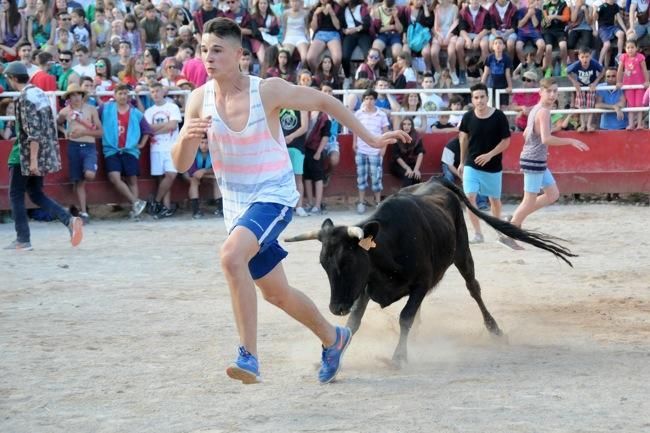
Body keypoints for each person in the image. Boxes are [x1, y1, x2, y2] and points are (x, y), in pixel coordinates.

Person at [171, 17, 409, 384]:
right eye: (204, 50)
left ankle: (248, 356)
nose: (208, 57)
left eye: (216, 50)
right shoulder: (198, 100)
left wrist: (371, 139)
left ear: (239, 55)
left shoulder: (267, 91)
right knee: (277, 294)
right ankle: (334, 338)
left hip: (273, 195)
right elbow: (182, 164)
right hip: (236, 208)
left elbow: (326, 102)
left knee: (231, 256)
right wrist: (186, 138)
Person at [4, 61, 83, 251]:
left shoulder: (24, 98)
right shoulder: (38, 93)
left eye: (8, 79)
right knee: (36, 194)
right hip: (38, 153)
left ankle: (23, 239)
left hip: (23, 155)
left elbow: (33, 132)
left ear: (13, 78)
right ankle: (69, 221)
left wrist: (32, 160)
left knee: (15, 195)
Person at [509, 78, 589, 238]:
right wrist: (570, 140)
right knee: (529, 200)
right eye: (549, 91)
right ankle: (510, 231)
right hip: (534, 160)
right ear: (541, 92)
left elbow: (526, 134)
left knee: (552, 195)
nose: (552, 95)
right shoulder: (543, 111)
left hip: (536, 159)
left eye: (555, 91)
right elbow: (546, 139)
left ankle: (515, 218)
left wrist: (537, 148)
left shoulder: (536, 109)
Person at [458, 83, 511, 244]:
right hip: (471, 165)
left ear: (487, 97)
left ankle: (499, 230)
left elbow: (506, 141)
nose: (479, 100)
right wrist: (461, 162)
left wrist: (490, 155)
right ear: (472, 99)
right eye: (476, 97)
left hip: (493, 167)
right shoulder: (467, 117)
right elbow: (463, 139)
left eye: (482, 97)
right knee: (469, 197)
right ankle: (478, 234)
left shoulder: (499, 116)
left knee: (494, 200)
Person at [99, 83, 151, 219]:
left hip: (130, 150)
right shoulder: (105, 109)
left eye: (125, 93)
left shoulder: (135, 113)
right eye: (120, 93)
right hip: (111, 149)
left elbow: (147, 129)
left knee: (132, 179)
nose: (123, 96)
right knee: (114, 178)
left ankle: (136, 211)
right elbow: (94, 119)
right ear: (115, 95)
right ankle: (136, 202)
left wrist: (141, 144)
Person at [57, 83, 103, 224]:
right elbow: (58, 122)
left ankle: (77, 208)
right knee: (79, 181)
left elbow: (100, 132)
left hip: (88, 145)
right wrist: (64, 131)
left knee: (89, 175)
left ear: (82, 96)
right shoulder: (65, 111)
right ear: (69, 97)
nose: (76, 97)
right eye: (72, 95)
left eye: (78, 94)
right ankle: (83, 212)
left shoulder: (91, 110)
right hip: (73, 146)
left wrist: (84, 132)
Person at [144, 82, 182, 219]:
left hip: (172, 147)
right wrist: (164, 127)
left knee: (171, 175)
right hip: (156, 148)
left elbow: (172, 126)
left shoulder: (172, 107)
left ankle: (156, 201)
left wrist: (157, 128)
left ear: (163, 92)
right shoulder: (149, 111)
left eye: (157, 91)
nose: (155, 94)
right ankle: (164, 207)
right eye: (152, 92)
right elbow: (149, 129)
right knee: (162, 179)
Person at [353, 88, 390, 214]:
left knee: (376, 177)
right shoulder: (359, 113)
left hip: (375, 150)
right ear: (363, 100)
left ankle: (378, 202)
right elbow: (356, 130)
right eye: (367, 98)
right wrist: (354, 143)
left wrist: (383, 148)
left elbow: (386, 133)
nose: (369, 101)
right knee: (361, 177)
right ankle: (361, 202)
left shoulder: (381, 114)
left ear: (375, 100)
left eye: (372, 99)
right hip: (361, 149)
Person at [566, 47, 603, 131]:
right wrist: (574, 82)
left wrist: (595, 82)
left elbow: (602, 71)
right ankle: (582, 124)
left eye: (587, 56)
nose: (585, 59)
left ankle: (589, 124)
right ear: (579, 57)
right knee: (581, 106)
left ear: (590, 56)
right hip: (581, 87)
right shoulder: (576, 64)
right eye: (582, 57)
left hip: (591, 86)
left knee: (590, 105)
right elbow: (567, 72)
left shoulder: (594, 63)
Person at [616, 39, 649, 130]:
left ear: (636, 48)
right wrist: (619, 81)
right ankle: (630, 124)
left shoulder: (640, 57)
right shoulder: (623, 57)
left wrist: (647, 81)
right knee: (630, 104)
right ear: (625, 49)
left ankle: (639, 124)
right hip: (628, 85)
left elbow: (644, 70)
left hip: (639, 85)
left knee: (639, 104)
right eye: (628, 48)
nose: (630, 49)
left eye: (632, 47)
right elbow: (619, 70)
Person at [390, 117, 424, 187]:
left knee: (416, 177)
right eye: (404, 124)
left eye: (409, 124)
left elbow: (420, 153)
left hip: (411, 164)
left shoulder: (416, 136)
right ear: (401, 126)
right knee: (408, 176)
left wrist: (416, 169)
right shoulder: (397, 137)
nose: (406, 127)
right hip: (397, 165)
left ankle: (415, 197)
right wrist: (407, 168)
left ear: (412, 126)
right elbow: (397, 156)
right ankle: (403, 197)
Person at [481, 36, 513, 109]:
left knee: (503, 107)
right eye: (495, 43)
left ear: (504, 46)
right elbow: (486, 73)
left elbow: (507, 74)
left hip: (503, 85)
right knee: (490, 106)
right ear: (493, 46)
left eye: (500, 43)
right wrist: (481, 85)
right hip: (491, 85)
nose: (498, 45)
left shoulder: (507, 59)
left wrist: (510, 86)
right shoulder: (489, 58)